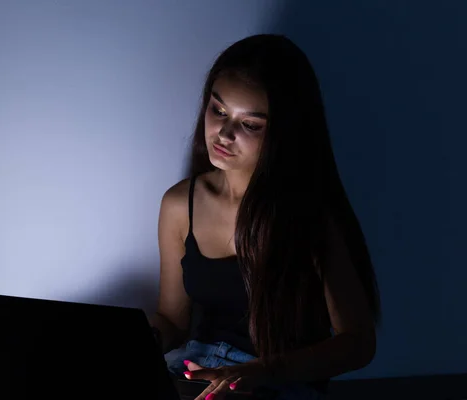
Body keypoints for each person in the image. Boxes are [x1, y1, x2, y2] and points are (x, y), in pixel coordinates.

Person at [148, 34, 381, 400]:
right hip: (196, 371)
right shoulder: (181, 203)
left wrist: (259, 371)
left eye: (250, 124)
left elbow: (358, 343)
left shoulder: (309, 217)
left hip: (278, 381)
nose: (224, 133)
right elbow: (173, 321)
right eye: (218, 111)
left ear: (282, 133)